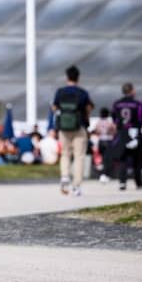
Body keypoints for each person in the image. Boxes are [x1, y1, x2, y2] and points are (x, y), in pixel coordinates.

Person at [52, 65, 94, 196]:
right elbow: (88, 108)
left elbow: (54, 107)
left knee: (65, 154)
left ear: (67, 77)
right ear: (78, 77)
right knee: (79, 156)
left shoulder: (60, 92)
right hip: (79, 126)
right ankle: (76, 186)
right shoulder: (82, 93)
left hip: (63, 127)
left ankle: (65, 176)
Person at [111, 83, 142, 191]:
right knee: (137, 159)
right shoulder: (138, 104)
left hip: (122, 133)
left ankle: (122, 182)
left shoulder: (117, 104)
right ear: (132, 91)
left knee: (123, 158)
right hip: (135, 133)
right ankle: (138, 182)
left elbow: (114, 119)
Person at [94, 107, 117, 182]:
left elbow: (96, 131)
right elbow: (114, 131)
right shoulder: (110, 122)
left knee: (103, 158)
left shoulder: (98, 122)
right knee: (109, 159)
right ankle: (106, 174)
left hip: (101, 141)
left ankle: (102, 174)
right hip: (109, 141)